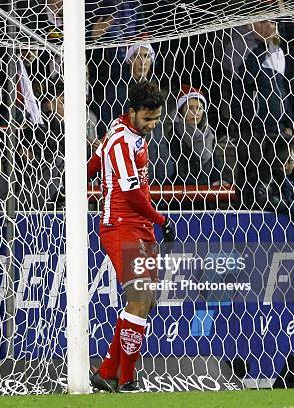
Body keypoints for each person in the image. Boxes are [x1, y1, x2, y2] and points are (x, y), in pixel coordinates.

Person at [87, 81, 175, 393]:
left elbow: (95, 162)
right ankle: (126, 379)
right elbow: (133, 193)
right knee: (139, 301)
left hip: (139, 227)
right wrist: (160, 218)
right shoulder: (122, 142)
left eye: (156, 119)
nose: (152, 125)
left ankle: (111, 372)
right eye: (147, 119)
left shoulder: (120, 128)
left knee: (145, 302)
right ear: (132, 112)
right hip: (122, 225)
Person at [165, 84, 228, 185]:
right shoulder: (174, 137)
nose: (195, 113)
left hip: (207, 196)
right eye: (190, 108)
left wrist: (223, 180)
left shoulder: (208, 136)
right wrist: (207, 185)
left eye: (199, 108)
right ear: (181, 111)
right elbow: (178, 175)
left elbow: (215, 164)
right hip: (184, 195)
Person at [254, 138, 294, 226]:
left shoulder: (285, 181)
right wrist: (288, 207)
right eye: (293, 160)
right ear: (285, 164)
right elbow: (261, 196)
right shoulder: (269, 177)